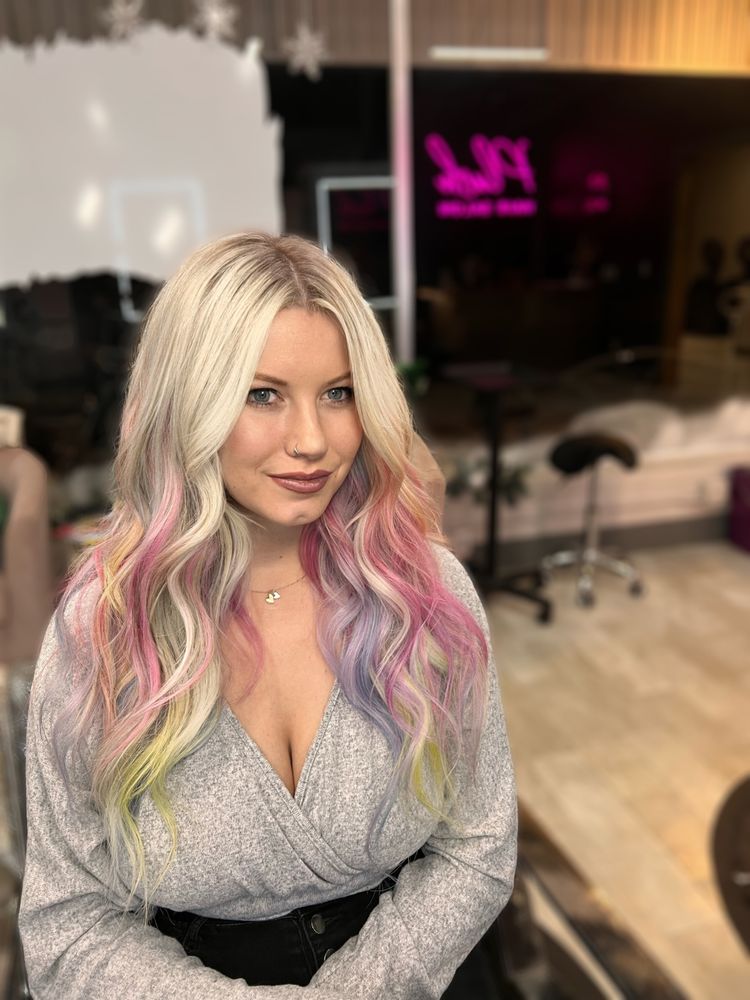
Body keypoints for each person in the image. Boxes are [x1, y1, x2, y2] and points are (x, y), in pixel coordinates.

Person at [18, 231, 517, 998]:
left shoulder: (425, 591)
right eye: (263, 394)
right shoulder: (104, 627)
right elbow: (68, 925)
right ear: (189, 403)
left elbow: (479, 844)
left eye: (339, 393)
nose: (312, 441)